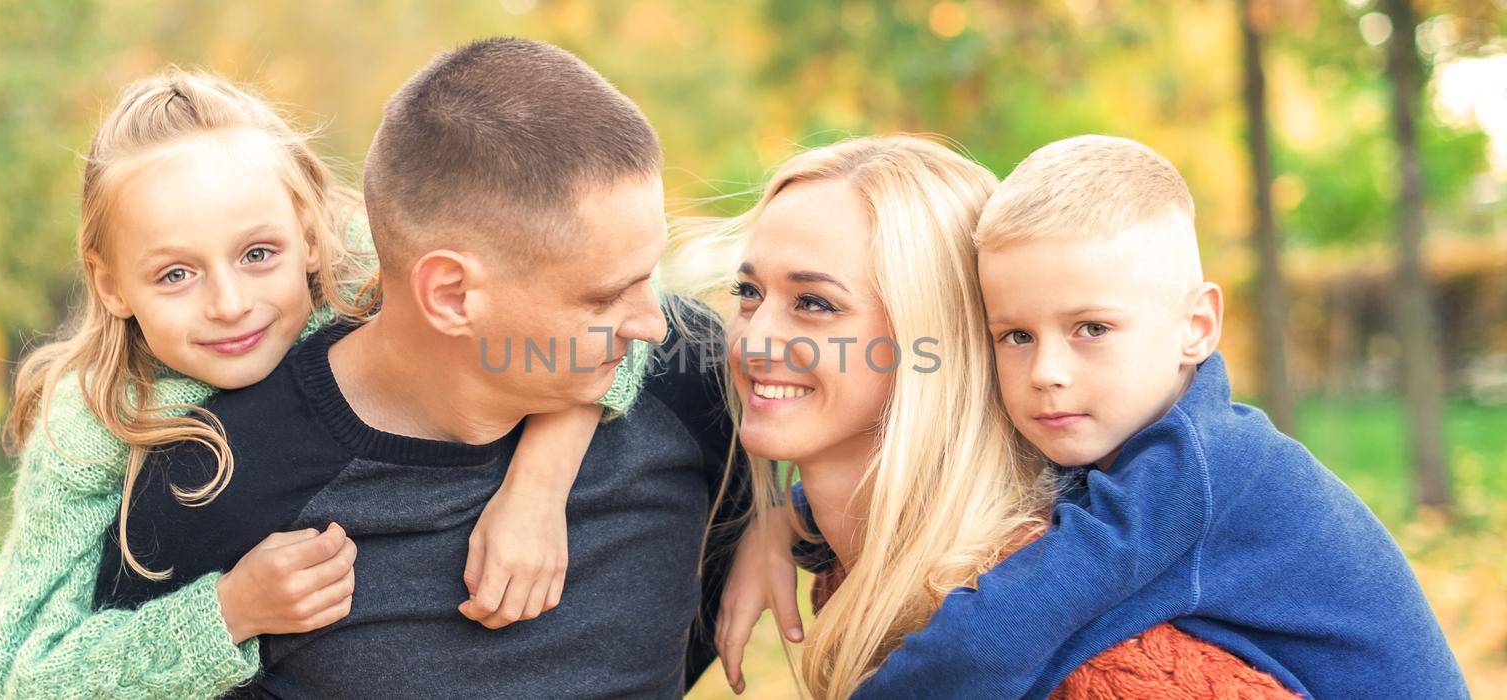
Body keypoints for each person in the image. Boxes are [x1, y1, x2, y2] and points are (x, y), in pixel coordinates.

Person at [92, 39, 742, 698]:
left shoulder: (687, 377)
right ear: (450, 294)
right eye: (604, 296)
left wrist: (771, 527)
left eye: (647, 277)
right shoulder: (215, 478)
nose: (653, 325)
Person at [854, 135, 1467, 698]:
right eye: (1015, 336)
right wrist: (786, 519)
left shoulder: (1201, 471)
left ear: (1195, 328)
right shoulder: (1125, 436)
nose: (1046, 371)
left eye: (1091, 328)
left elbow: (991, 637)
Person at [702, 134, 1301, 699]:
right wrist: (782, 524)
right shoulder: (856, 561)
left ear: (938, 342)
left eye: (814, 303)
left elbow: (987, 644)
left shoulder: (1096, 644)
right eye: (749, 293)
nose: (753, 341)